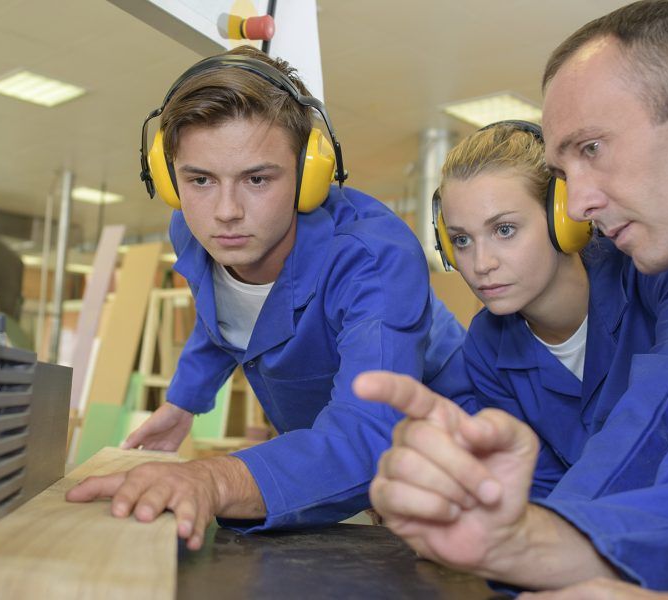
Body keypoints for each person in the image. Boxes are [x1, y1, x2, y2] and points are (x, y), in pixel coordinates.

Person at [360, 1, 668, 597]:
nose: (581, 203)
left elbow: (653, 428)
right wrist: (510, 539)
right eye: (565, 173)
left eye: (591, 148)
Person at [65, 45, 472, 550]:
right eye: (200, 180)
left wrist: (215, 479)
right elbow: (222, 315)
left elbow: (368, 430)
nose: (226, 211)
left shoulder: (373, 257)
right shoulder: (193, 230)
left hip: (450, 448)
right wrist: (184, 402)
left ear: (308, 175)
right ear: (171, 180)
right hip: (328, 447)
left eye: (257, 179)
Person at [432, 120, 668, 500]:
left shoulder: (661, 270)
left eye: (504, 230)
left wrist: (562, 524)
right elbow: (537, 487)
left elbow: (666, 403)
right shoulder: (486, 345)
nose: (480, 264)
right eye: (462, 240)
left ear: (563, 219)